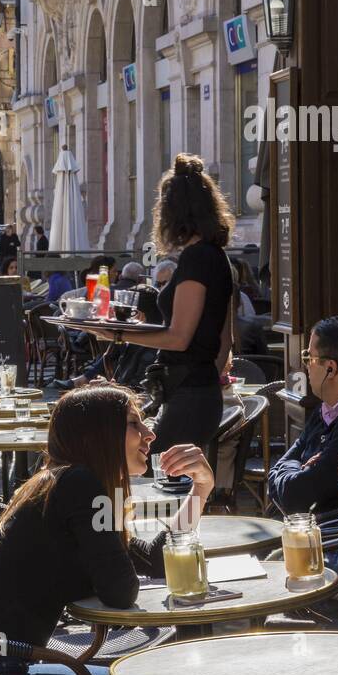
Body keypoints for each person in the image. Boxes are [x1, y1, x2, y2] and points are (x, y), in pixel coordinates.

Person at [0, 384, 216, 675]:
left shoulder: (66, 482)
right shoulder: (79, 484)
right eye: (134, 423)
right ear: (98, 434)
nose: (150, 433)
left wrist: (201, 488)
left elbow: (154, 560)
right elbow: (120, 591)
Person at [82, 154, 235, 455]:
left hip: (189, 393)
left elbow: (178, 338)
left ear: (174, 212)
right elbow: (226, 339)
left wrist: (118, 334)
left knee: (152, 474)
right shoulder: (217, 257)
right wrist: (204, 382)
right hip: (198, 392)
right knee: (171, 483)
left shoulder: (197, 259)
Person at [268, 316, 338, 517]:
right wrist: (296, 468)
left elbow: (297, 496)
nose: (306, 366)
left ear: (331, 368)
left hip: (330, 537)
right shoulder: (325, 410)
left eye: (309, 358)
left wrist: (294, 470)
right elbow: (277, 472)